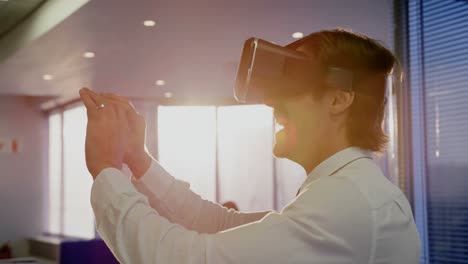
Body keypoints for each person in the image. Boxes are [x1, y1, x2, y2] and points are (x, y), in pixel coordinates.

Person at [80, 29, 421, 263]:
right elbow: (222, 226)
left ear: (339, 98)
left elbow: (187, 259)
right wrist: (138, 161)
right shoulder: (346, 191)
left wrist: (106, 168)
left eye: (294, 82)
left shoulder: (349, 201)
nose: (272, 100)